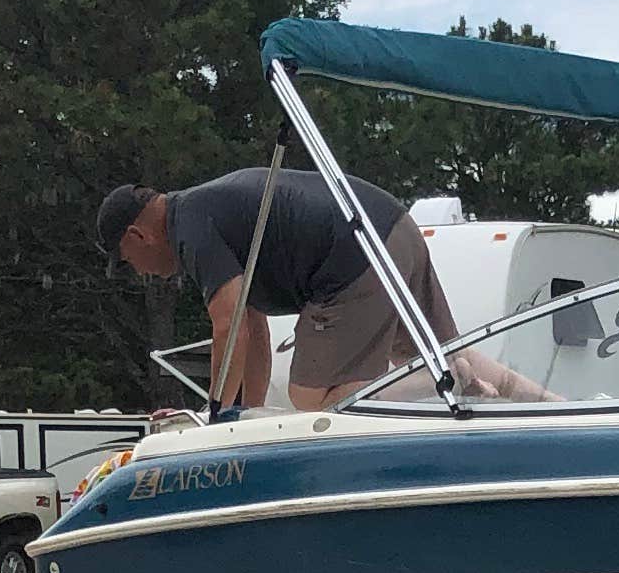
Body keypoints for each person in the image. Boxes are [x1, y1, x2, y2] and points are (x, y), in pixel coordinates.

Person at [96, 169, 541, 410]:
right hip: (394, 225)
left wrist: (214, 415)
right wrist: (248, 416)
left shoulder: (188, 229)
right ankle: (544, 402)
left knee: (311, 400)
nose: (143, 273)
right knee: (436, 349)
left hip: (350, 258)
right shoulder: (205, 211)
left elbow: (227, 323)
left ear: (138, 236)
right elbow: (252, 326)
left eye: (131, 263)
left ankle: (448, 379)